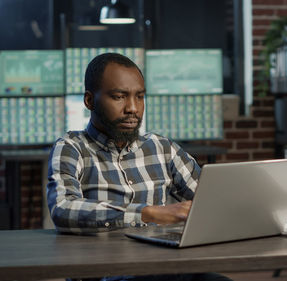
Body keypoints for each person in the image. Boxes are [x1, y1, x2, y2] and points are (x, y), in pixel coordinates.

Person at [47, 53, 232, 281]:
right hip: (106, 274)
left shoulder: (161, 147)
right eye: (119, 97)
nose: (133, 108)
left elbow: (212, 201)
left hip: (164, 269)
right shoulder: (71, 147)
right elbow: (63, 208)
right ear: (89, 101)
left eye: (140, 97)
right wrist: (149, 213)